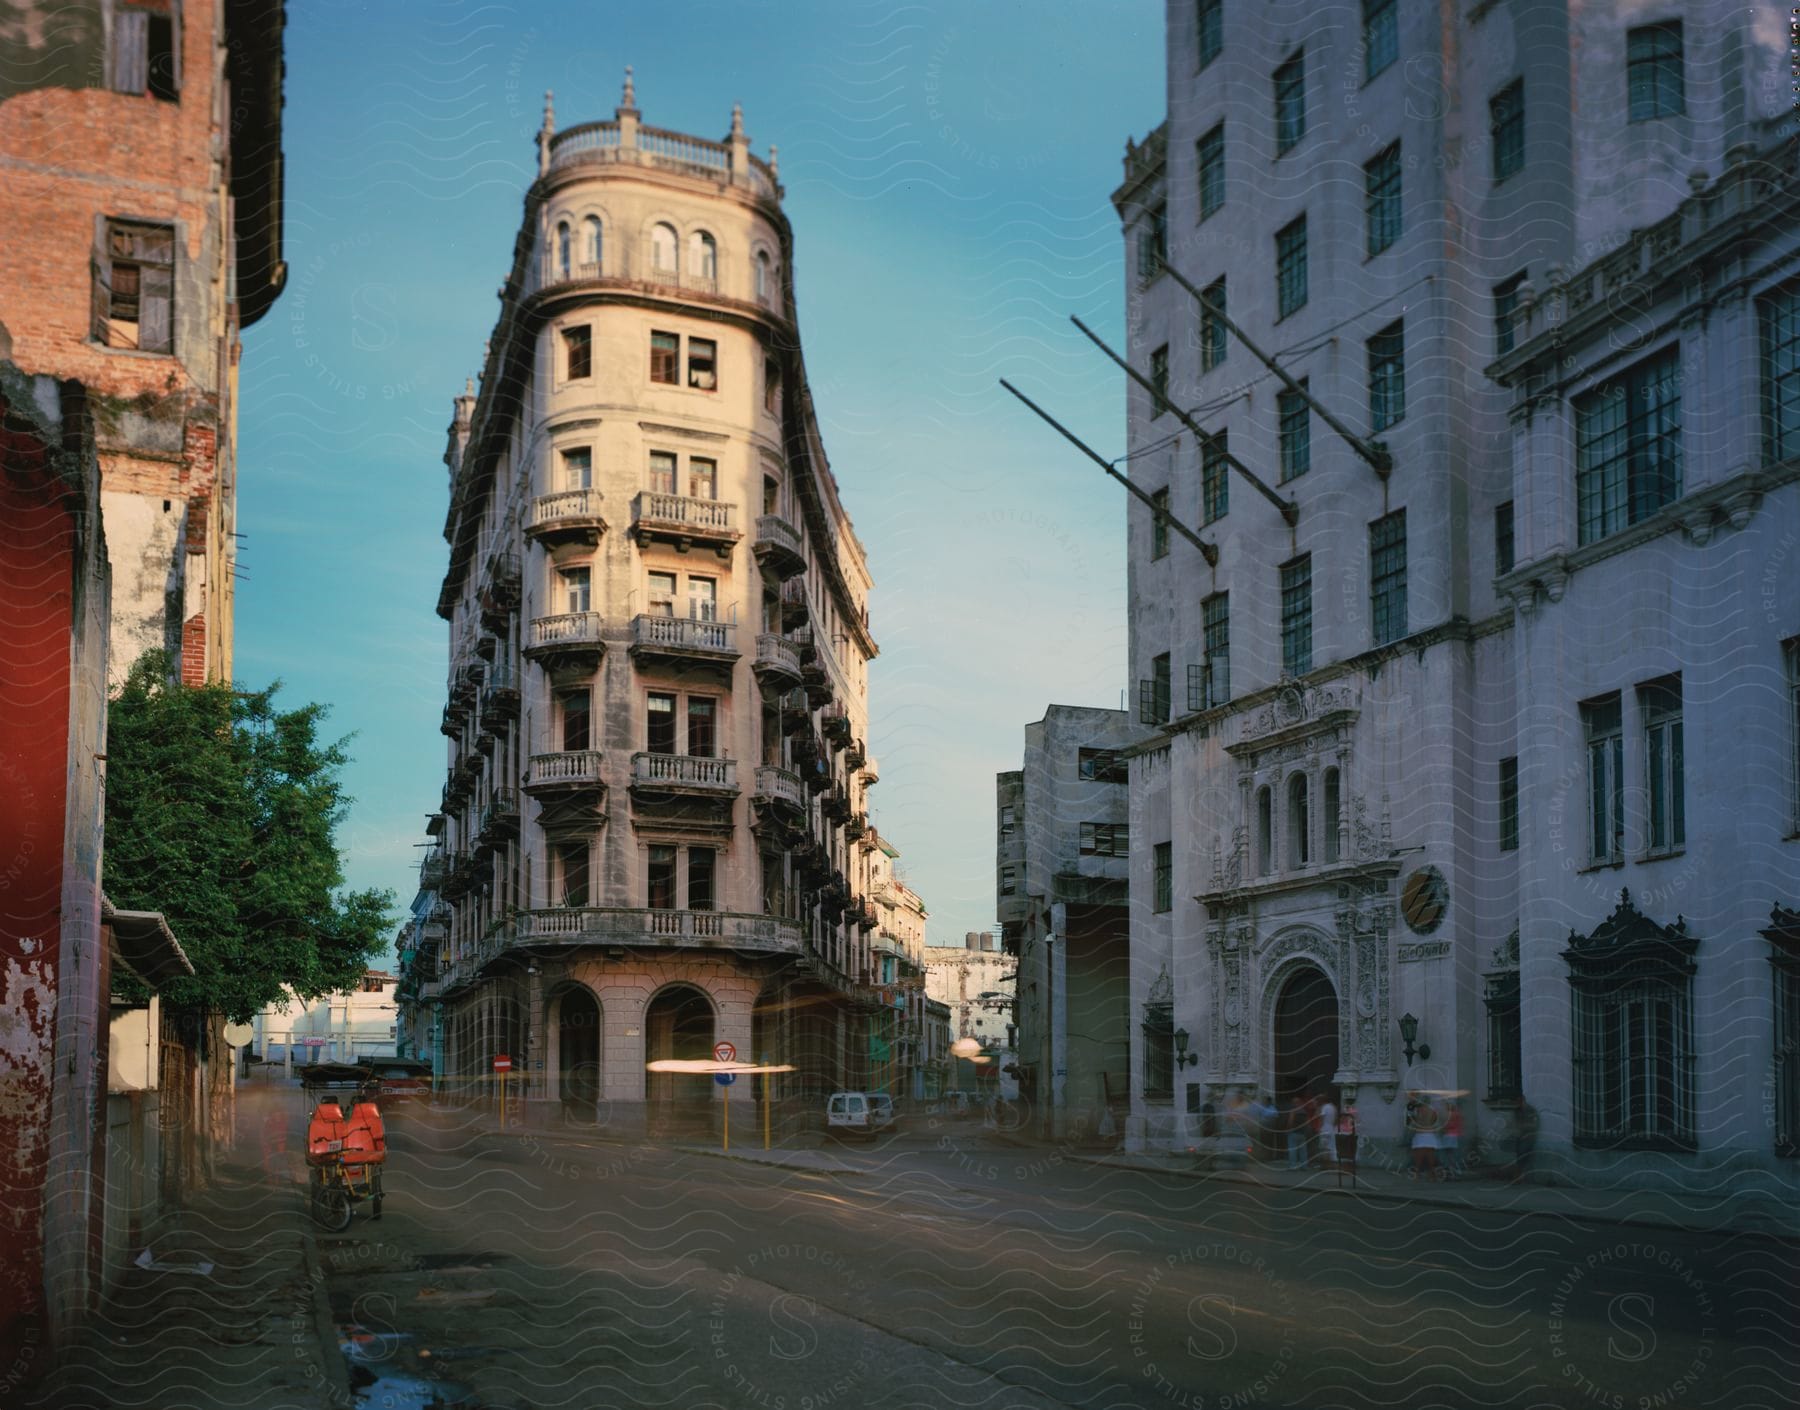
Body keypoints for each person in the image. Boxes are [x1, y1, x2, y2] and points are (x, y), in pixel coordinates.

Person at [1408, 1092, 1441, 1180]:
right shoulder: (1433, 1111)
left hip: (1420, 1134)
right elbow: (1436, 1123)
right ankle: (1432, 1175)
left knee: (1418, 1157)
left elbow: (1413, 1123)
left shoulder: (1417, 1110)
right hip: (1430, 1134)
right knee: (1431, 1156)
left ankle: (1417, 1175)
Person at [1441, 1098, 1465, 1179]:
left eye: (1447, 1105)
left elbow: (1449, 1125)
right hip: (1456, 1135)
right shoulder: (1457, 1113)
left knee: (1449, 1154)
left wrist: (1443, 1128)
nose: (1446, 1107)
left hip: (1450, 1135)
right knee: (1452, 1154)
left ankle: (1454, 1170)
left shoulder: (1451, 1114)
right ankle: (1454, 1170)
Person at [1316, 1090, 1338, 1168]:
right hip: (1331, 1129)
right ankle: (1329, 1164)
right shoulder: (1334, 1107)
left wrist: (1319, 1128)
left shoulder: (1324, 1108)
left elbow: (1321, 1119)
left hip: (1324, 1129)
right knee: (1329, 1148)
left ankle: (1324, 1165)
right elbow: (1335, 1120)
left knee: (1324, 1148)